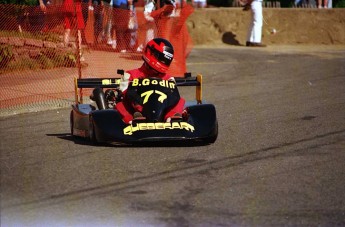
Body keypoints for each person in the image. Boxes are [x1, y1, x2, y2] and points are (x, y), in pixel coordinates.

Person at [115, 38, 185, 124]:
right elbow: (125, 94)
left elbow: (173, 97)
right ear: (150, 52)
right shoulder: (130, 75)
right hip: (136, 111)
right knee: (121, 103)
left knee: (178, 100)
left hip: (161, 111)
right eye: (162, 58)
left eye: (166, 60)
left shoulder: (169, 78)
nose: (164, 62)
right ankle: (134, 120)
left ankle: (172, 118)